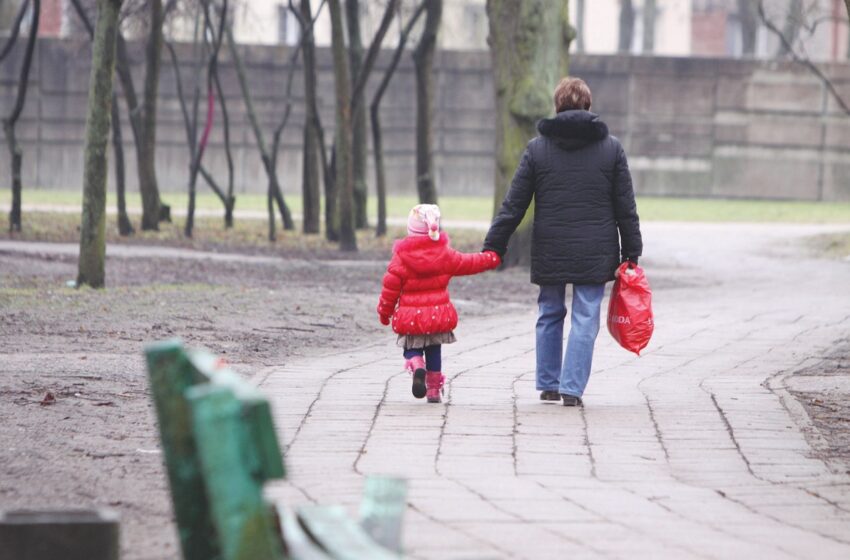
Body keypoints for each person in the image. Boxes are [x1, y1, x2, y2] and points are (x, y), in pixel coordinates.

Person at [483, 77, 643, 407]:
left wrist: (494, 245)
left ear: (557, 107)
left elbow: (514, 204)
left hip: (551, 246)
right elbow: (626, 207)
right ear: (588, 106)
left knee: (550, 311)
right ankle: (571, 388)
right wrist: (632, 252)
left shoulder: (537, 148)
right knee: (586, 316)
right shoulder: (611, 148)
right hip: (595, 249)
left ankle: (548, 383)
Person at [378, 204, 501, 403]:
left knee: (411, 347)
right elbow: (469, 262)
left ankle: (417, 364)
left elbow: (389, 289)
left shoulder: (400, 259)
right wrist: (491, 258)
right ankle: (433, 391)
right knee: (434, 349)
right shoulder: (445, 255)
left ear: (410, 231)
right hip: (437, 314)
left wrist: (385, 313)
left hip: (411, 317)